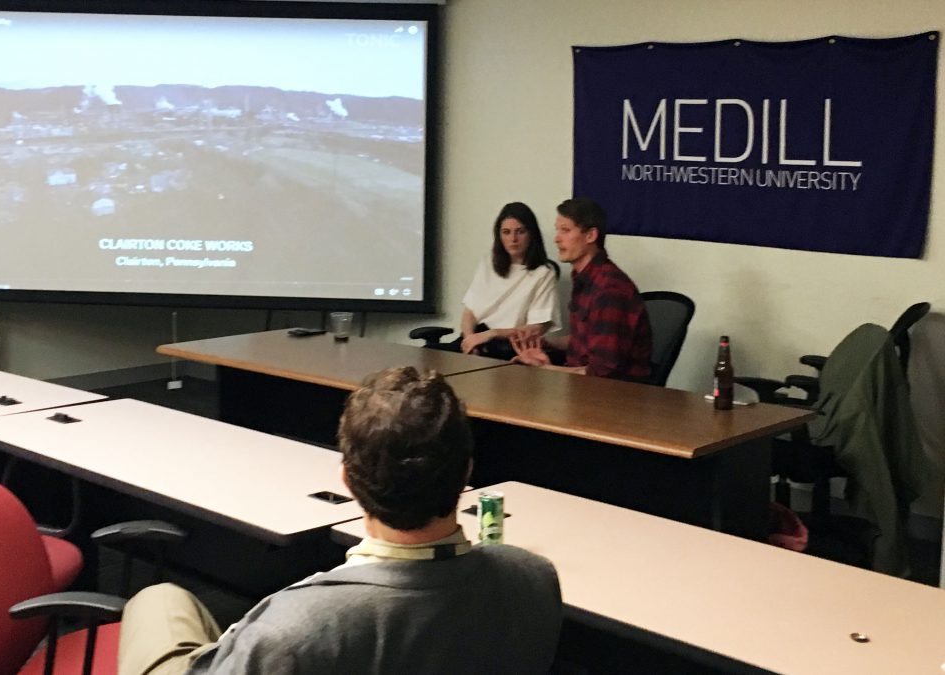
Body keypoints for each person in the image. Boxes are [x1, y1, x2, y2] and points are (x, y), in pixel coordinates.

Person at [117, 367, 563, 675]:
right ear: (467, 474)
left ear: (347, 480)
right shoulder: (534, 578)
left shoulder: (294, 628)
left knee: (159, 600)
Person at [511, 197, 652, 381]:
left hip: (615, 396)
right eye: (557, 230)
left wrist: (545, 368)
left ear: (591, 235)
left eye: (566, 230)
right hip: (583, 386)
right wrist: (544, 343)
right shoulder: (585, 278)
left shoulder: (609, 289)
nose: (557, 239)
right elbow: (585, 341)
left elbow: (602, 372)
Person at [454, 202, 560, 358]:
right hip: (475, 338)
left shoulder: (543, 273)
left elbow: (536, 328)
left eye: (520, 232)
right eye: (506, 232)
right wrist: (470, 340)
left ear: (532, 234)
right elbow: (470, 312)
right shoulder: (489, 263)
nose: (513, 239)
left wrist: (492, 334)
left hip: (508, 347)